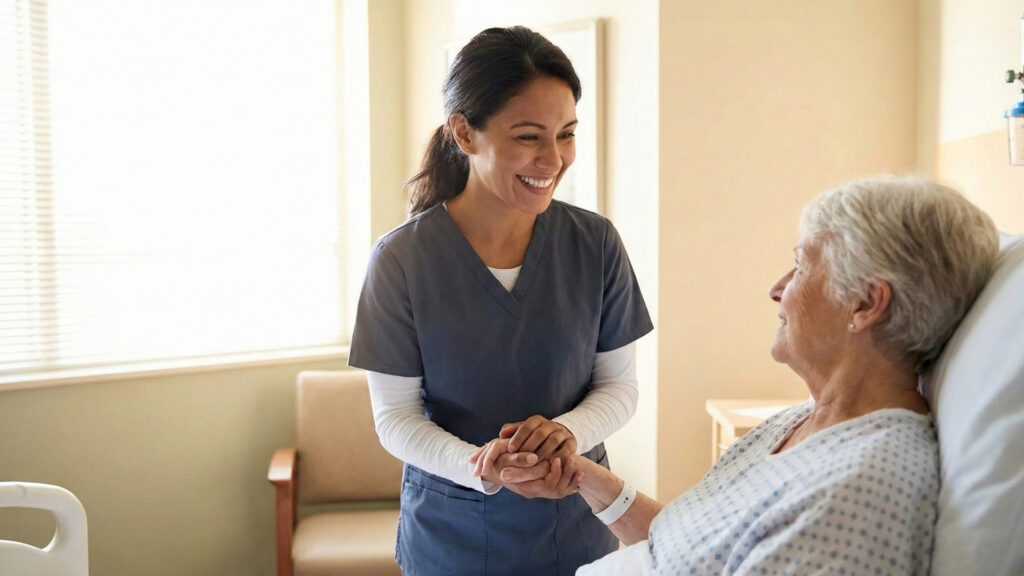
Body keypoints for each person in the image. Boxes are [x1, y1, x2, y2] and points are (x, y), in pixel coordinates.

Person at [489, 175, 999, 575]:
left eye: (802, 266)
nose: (778, 288)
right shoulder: (800, 423)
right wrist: (586, 479)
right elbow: (693, 549)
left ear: (865, 303)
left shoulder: (862, 492)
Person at [348, 25, 653, 575]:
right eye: (529, 136)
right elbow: (394, 417)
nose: (553, 159)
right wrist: (482, 466)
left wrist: (567, 435)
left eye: (566, 134)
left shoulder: (595, 243)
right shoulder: (401, 260)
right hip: (452, 537)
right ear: (464, 133)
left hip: (576, 529)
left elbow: (619, 387)